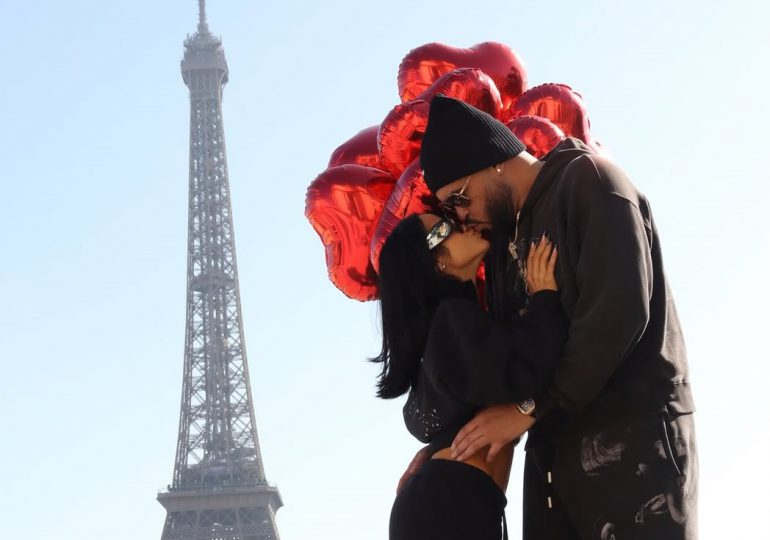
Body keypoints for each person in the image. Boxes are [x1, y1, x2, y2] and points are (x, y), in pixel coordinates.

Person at [404, 94, 698, 539]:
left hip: (634, 444)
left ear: (494, 161)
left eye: (460, 198)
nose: (461, 216)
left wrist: (530, 408)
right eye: (450, 209)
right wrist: (444, 449)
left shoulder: (592, 183)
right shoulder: (501, 242)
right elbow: (506, 362)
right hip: (552, 463)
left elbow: (617, 316)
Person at [374, 211, 567, 540]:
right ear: (437, 261)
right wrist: (545, 298)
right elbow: (527, 372)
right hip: (451, 505)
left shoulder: (448, 331)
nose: (462, 223)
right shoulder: (451, 321)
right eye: (445, 227)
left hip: (452, 502)